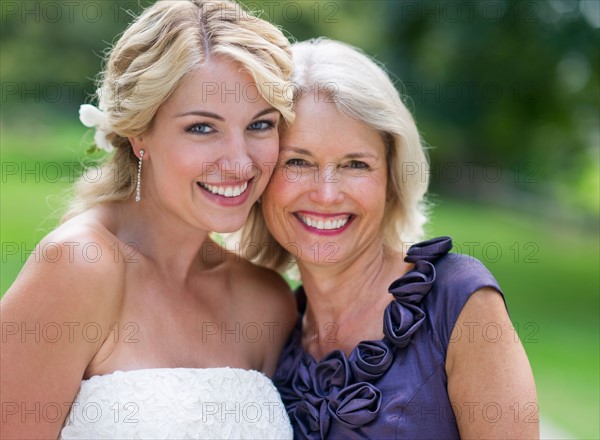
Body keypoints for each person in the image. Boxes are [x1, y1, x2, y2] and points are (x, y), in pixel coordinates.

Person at [0, 1, 298, 438]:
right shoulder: (78, 266)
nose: (239, 163)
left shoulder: (266, 300)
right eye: (202, 127)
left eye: (260, 125)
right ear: (140, 134)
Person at [240, 38, 539, 439]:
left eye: (355, 164)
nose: (327, 194)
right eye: (298, 161)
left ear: (391, 180)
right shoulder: (275, 331)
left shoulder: (457, 302)